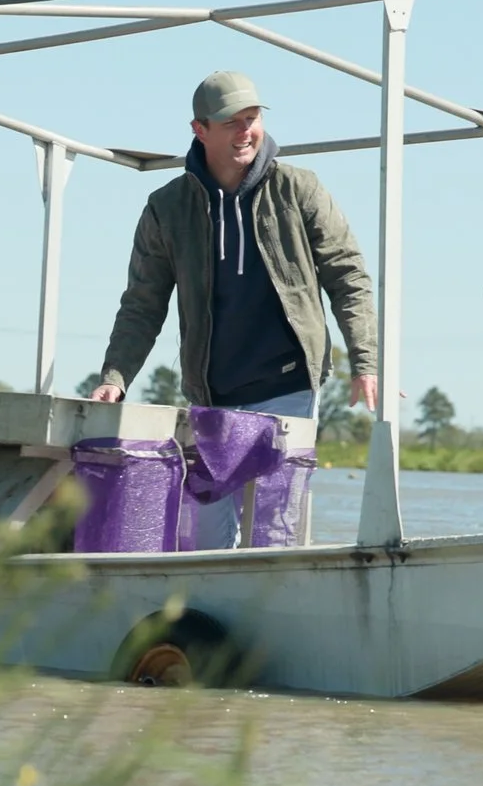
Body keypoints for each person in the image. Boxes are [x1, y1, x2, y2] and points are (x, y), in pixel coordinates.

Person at [92, 71, 379, 548]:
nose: (246, 131)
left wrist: (366, 361)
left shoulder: (300, 189)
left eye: (253, 119)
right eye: (232, 123)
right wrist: (114, 377)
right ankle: (205, 617)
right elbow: (141, 304)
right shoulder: (166, 208)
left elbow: (348, 276)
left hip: (289, 385)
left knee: (276, 533)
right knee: (204, 536)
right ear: (199, 129)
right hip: (212, 394)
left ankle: (273, 614)